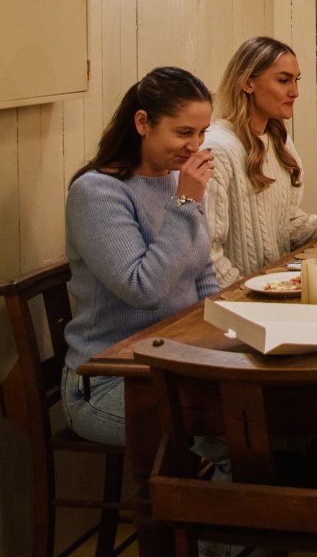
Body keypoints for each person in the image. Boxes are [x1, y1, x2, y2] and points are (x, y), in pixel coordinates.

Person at [61, 67, 220, 445]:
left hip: (175, 362)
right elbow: (144, 290)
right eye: (183, 132)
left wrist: (224, 337)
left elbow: (202, 273)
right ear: (143, 123)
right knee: (235, 433)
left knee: (270, 414)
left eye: (201, 133)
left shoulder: (175, 179)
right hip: (107, 379)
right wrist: (185, 202)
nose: (195, 146)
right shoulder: (97, 192)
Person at [203, 37, 317, 288]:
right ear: (247, 83)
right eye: (283, 81)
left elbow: (286, 229)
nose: (295, 92)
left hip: (275, 287)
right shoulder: (218, 147)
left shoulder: (279, 141)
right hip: (239, 302)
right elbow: (207, 252)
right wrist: (246, 294)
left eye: (296, 80)